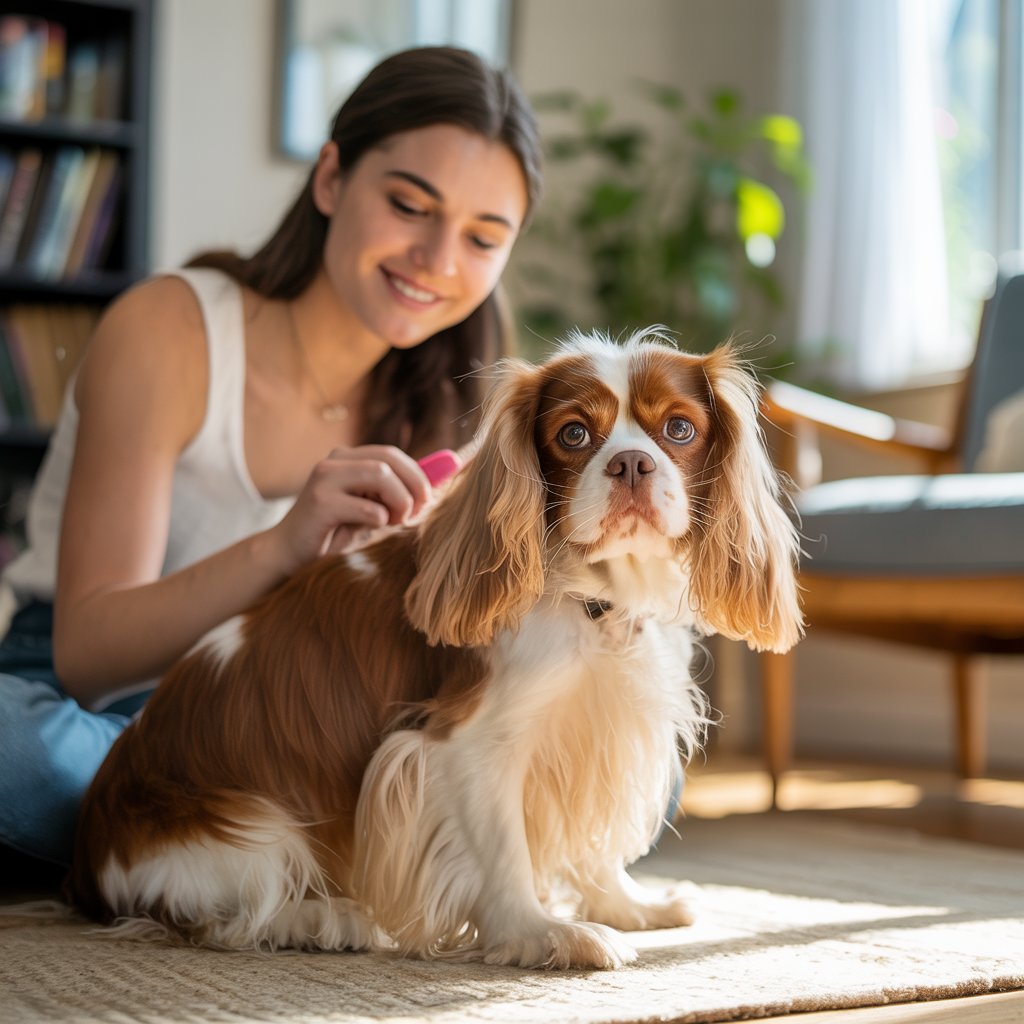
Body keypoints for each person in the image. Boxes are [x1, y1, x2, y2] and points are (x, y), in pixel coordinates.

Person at [0, 45, 543, 868]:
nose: (438, 261)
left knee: (600, 762)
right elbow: (86, 655)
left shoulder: (459, 410)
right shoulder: (171, 329)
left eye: (482, 238)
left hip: (274, 716)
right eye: (408, 205)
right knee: (25, 757)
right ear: (331, 179)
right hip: (88, 700)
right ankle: (231, 833)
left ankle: (219, 839)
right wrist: (282, 548)